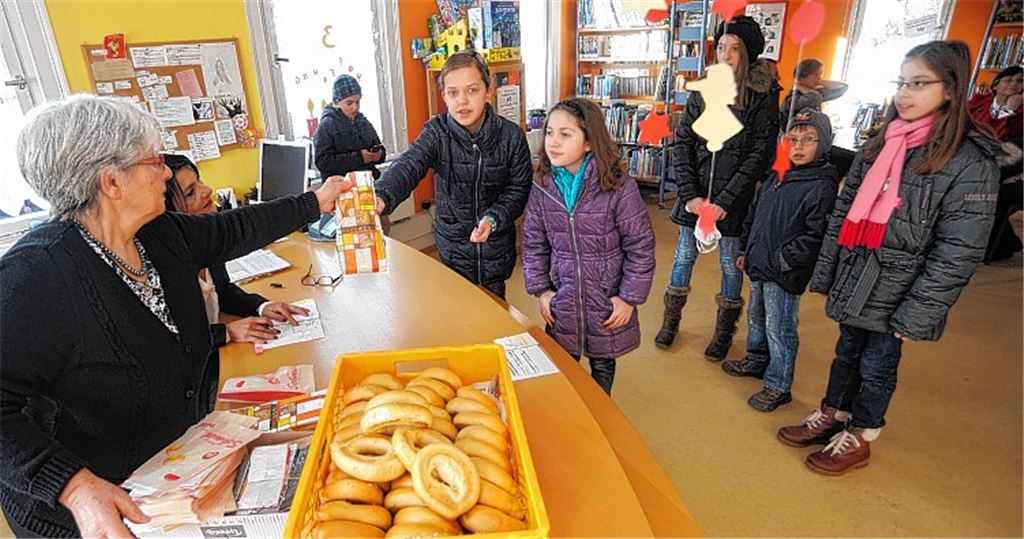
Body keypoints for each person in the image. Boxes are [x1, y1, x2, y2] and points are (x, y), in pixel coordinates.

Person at [0, 94, 350, 537]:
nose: (166, 172)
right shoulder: (36, 276)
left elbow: (235, 228)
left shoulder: (158, 234)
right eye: (155, 161)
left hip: (167, 480)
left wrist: (316, 202)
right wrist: (73, 487)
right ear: (111, 183)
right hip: (85, 513)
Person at [777, 41, 1000, 475]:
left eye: (919, 84)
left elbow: (959, 250)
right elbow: (845, 211)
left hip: (902, 288)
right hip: (858, 273)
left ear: (951, 89)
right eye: (902, 82)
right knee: (846, 352)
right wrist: (828, 270)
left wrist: (918, 312)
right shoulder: (883, 142)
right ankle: (834, 413)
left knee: (878, 364)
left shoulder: (970, 161)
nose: (905, 93)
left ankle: (861, 434)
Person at [655, 15, 780, 361]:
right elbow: (683, 143)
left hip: (732, 202)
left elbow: (759, 154)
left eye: (734, 49)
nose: (725, 54)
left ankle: (724, 331)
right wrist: (690, 194)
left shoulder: (762, 94)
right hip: (696, 197)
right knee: (683, 258)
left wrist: (725, 200)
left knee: (729, 264)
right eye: (721, 47)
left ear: (748, 53)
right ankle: (671, 321)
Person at [521, 98, 655, 395]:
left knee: (602, 367)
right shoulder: (543, 186)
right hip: (563, 303)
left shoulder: (618, 187)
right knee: (562, 368)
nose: (553, 142)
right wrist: (542, 291)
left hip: (606, 303)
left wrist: (629, 298)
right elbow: (534, 243)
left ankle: (600, 422)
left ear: (589, 143)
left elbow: (641, 246)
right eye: (550, 133)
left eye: (565, 135)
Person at [373, 51, 532, 299]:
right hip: (454, 249)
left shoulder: (511, 136)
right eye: (453, 92)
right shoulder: (437, 133)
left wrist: (494, 217)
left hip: (495, 251)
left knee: (493, 315)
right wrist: (382, 194)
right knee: (458, 314)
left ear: (488, 91)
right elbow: (410, 163)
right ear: (444, 96)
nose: (462, 101)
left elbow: (519, 189)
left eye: (472, 90)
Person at [723, 108, 839, 411]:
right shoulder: (777, 175)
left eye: (808, 140)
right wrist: (745, 249)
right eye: (793, 139)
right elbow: (755, 215)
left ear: (824, 143)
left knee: (780, 327)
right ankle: (757, 358)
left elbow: (816, 236)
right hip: (759, 263)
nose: (798, 147)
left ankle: (778, 384)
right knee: (756, 317)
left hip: (785, 272)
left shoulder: (822, 185)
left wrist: (783, 260)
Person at [163, 154, 309, 350]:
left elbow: (222, 291)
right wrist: (227, 332)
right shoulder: (167, 268)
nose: (207, 190)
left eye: (200, 182)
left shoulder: (209, 242)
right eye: (190, 192)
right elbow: (174, 342)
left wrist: (262, 306)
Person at [967, 65, 1023, 262]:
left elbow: (996, 139)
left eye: (1020, 81)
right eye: (1009, 80)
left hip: (1000, 160)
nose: (1014, 85)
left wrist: (1009, 110)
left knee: (977, 186)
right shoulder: (978, 101)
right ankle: (1006, 240)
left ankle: (991, 243)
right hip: (969, 153)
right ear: (996, 83)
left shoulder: (1021, 110)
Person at [314, 74, 387, 180]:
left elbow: (377, 145)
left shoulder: (363, 121)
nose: (355, 107)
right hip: (341, 186)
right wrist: (358, 158)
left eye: (357, 102)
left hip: (367, 182)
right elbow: (323, 162)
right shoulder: (327, 125)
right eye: (349, 103)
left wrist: (379, 155)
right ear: (337, 102)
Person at [780, 59, 849, 130]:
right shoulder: (794, 97)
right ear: (803, 77)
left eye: (820, 74)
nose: (819, 77)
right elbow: (814, 99)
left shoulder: (815, 92)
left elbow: (842, 88)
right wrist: (800, 86)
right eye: (816, 75)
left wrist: (821, 82)